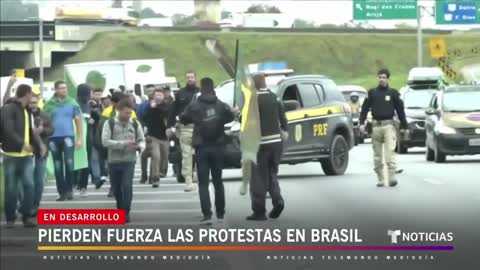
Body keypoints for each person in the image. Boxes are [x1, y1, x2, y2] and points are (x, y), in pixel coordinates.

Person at [180, 78, 235, 224]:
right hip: (218, 147)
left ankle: (207, 215)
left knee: (203, 183)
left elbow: (183, 118)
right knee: (218, 181)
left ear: (201, 89)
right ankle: (221, 214)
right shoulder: (221, 105)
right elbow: (231, 117)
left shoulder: (195, 105)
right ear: (213, 88)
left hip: (201, 148)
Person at [0, 84, 44, 227]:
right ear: (26, 94)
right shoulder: (8, 108)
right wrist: (22, 144)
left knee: (29, 185)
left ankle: (27, 216)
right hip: (11, 154)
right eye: (31, 94)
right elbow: (8, 130)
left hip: (26, 156)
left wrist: (40, 144)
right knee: (11, 188)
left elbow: (30, 131)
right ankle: (10, 218)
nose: (32, 97)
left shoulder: (27, 111)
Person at [247, 73, 287, 221]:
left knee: (257, 177)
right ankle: (278, 200)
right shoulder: (274, 97)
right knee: (271, 174)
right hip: (276, 143)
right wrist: (285, 130)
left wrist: (236, 113)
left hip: (260, 144)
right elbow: (283, 118)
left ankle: (259, 211)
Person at [359, 68, 408, 188]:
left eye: (384, 77)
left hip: (388, 126)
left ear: (388, 79)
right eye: (380, 77)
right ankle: (380, 178)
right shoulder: (372, 93)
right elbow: (365, 108)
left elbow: (400, 110)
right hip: (376, 127)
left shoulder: (393, 93)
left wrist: (404, 126)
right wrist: (361, 123)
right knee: (377, 155)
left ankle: (391, 177)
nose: (381, 79)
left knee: (389, 152)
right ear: (377, 78)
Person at [102, 98, 145, 223]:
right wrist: (123, 144)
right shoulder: (109, 124)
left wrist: (139, 146)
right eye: (126, 112)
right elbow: (105, 141)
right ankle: (119, 208)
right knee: (116, 188)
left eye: (130, 113)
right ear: (119, 111)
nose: (128, 115)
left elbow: (142, 140)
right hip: (114, 161)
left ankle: (126, 212)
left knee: (127, 186)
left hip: (129, 160)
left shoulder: (135, 124)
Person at [43, 80, 83, 201]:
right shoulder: (49, 104)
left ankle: (69, 189)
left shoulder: (72, 103)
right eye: (61, 88)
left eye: (65, 88)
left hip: (68, 136)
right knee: (57, 165)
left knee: (69, 162)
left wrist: (80, 137)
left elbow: (78, 120)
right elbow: (44, 121)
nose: (64, 90)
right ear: (55, 90)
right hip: (53, 138)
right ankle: (62, 192)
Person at [168, 71, 200, 192]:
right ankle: (188, 180)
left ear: (195, 78)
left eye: (192, 77)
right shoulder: (180, 93)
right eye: (188, 77)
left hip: (199, 128)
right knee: (186, 155)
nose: (190, 79)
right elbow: (173, 109)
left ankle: (198, 175)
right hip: (184, 128)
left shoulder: (200, 92)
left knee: (199, 154)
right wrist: (170, 125)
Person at [28, 94, 54, 215]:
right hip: (27, 151)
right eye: (30, 102)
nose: (32, 105)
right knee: (27, 180)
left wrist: (43, 130)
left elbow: (52, 129)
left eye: (34, 102)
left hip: (41, 151)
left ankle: (34, 205)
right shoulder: (24, 114)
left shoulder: (44, 115)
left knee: (39, 180)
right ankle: (25, 204)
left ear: (38, 102)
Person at [144, 89, 170, 188]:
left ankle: (160, 172)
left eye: (160, 95)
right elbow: (145, 117)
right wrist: (151, 108)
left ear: (163, 96)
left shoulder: (166, 106)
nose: (158, 97)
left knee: (164, 157)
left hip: (165, 136)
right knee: (156, 156)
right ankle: (155, 178)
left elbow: (167, 114)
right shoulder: (149, 106)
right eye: (156, 95)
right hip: (153, 136)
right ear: (153, 96)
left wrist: (156, 107)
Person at [89, 88, 108, 187]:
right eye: (96, 94)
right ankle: (96, 177)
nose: (98, 96)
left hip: (102, 132)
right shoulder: (90, 105)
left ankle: (103, 174)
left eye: (100, 94)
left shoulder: (103, 105)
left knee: (103, 156)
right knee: (94, 157)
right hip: (93, 132)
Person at [137, 85, 155, 184]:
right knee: (143, 155)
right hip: (145, 132)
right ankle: (144, 175)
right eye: (149, 91)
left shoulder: (159, 104)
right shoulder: (142, 105)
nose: (151, 93)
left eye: (152, 90)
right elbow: (139, 118)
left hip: (156, 133)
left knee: (154, 155)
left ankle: (152, 176)